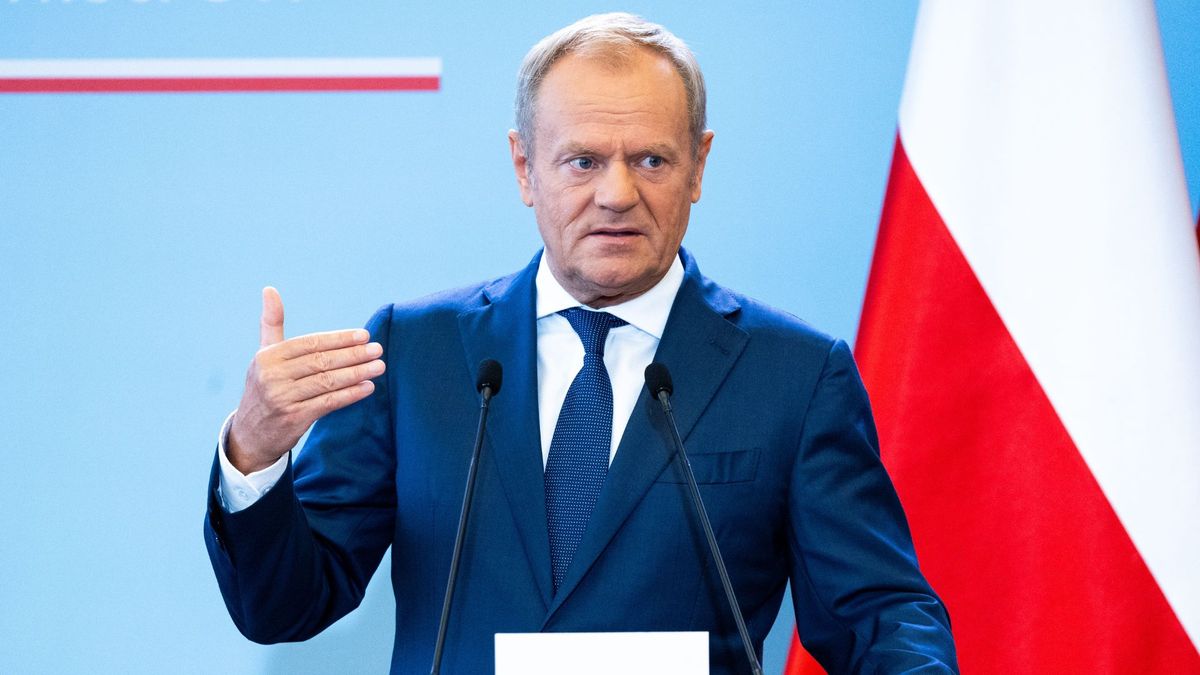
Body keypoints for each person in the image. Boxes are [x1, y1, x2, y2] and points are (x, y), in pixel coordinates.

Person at [204, 12, 958, 674]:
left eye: (651, 160)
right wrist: (256, 451)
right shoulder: (416, 353)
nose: (617, 194)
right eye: (584, 161)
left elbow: (878, 613)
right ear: (525, 167)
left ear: (698, 166)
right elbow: (284, 606)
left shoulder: (793, 375)